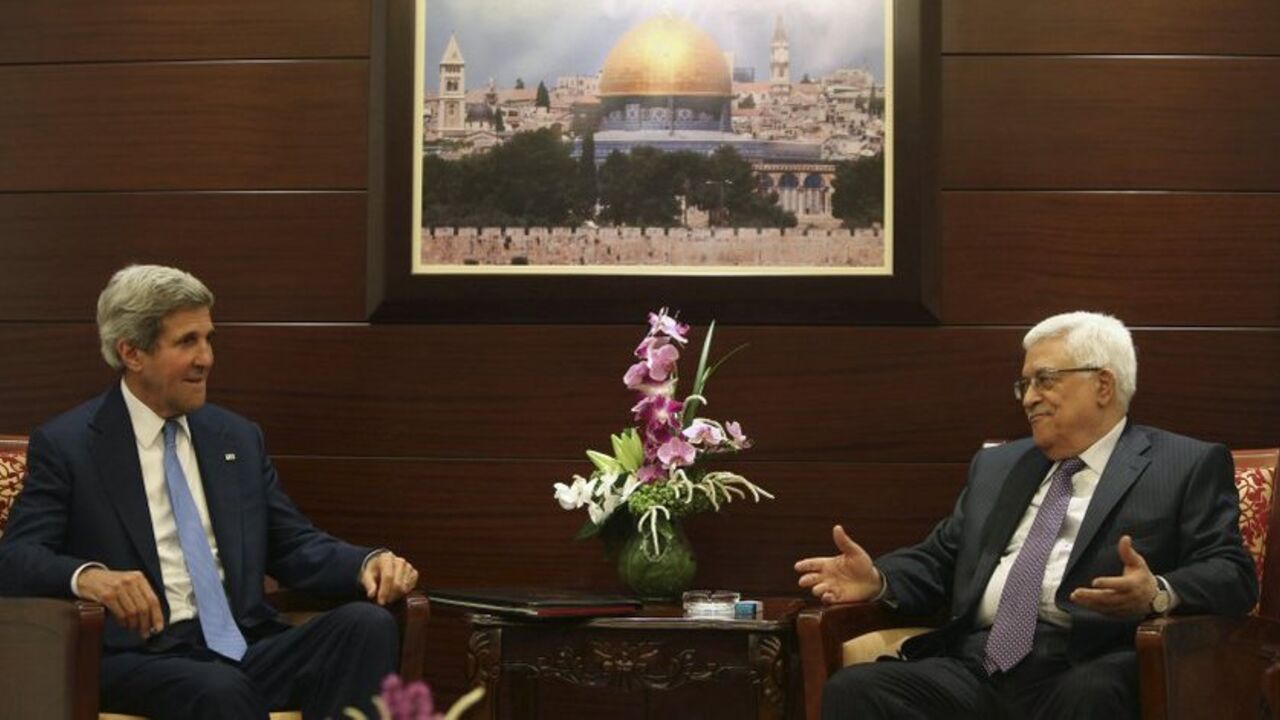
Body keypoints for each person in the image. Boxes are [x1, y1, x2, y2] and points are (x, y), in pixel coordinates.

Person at [0, 265, 421, 719]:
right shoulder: (69, 446)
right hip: (142, 656)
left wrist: (366, 563)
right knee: (220, 689)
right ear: (132, 352)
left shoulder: (235, 437)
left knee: (367, 625)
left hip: (242, 644)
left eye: (208, 339)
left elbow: (292, 543)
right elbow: (15, 557)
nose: (206, 358)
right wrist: (91, 577)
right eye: (187, 342)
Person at [794, 311, 1256, 719]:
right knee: (858, 691)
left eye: (1045, 380)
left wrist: (1156, 593)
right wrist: (879, 579)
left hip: (1085, 662)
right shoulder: (998, 467)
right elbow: (943, 557)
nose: (1029, 398)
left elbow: (1231, 572)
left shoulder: (1183, 465)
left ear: (1103, 385)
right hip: (980, 663)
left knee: (1093, 695)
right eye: (1025, 384)